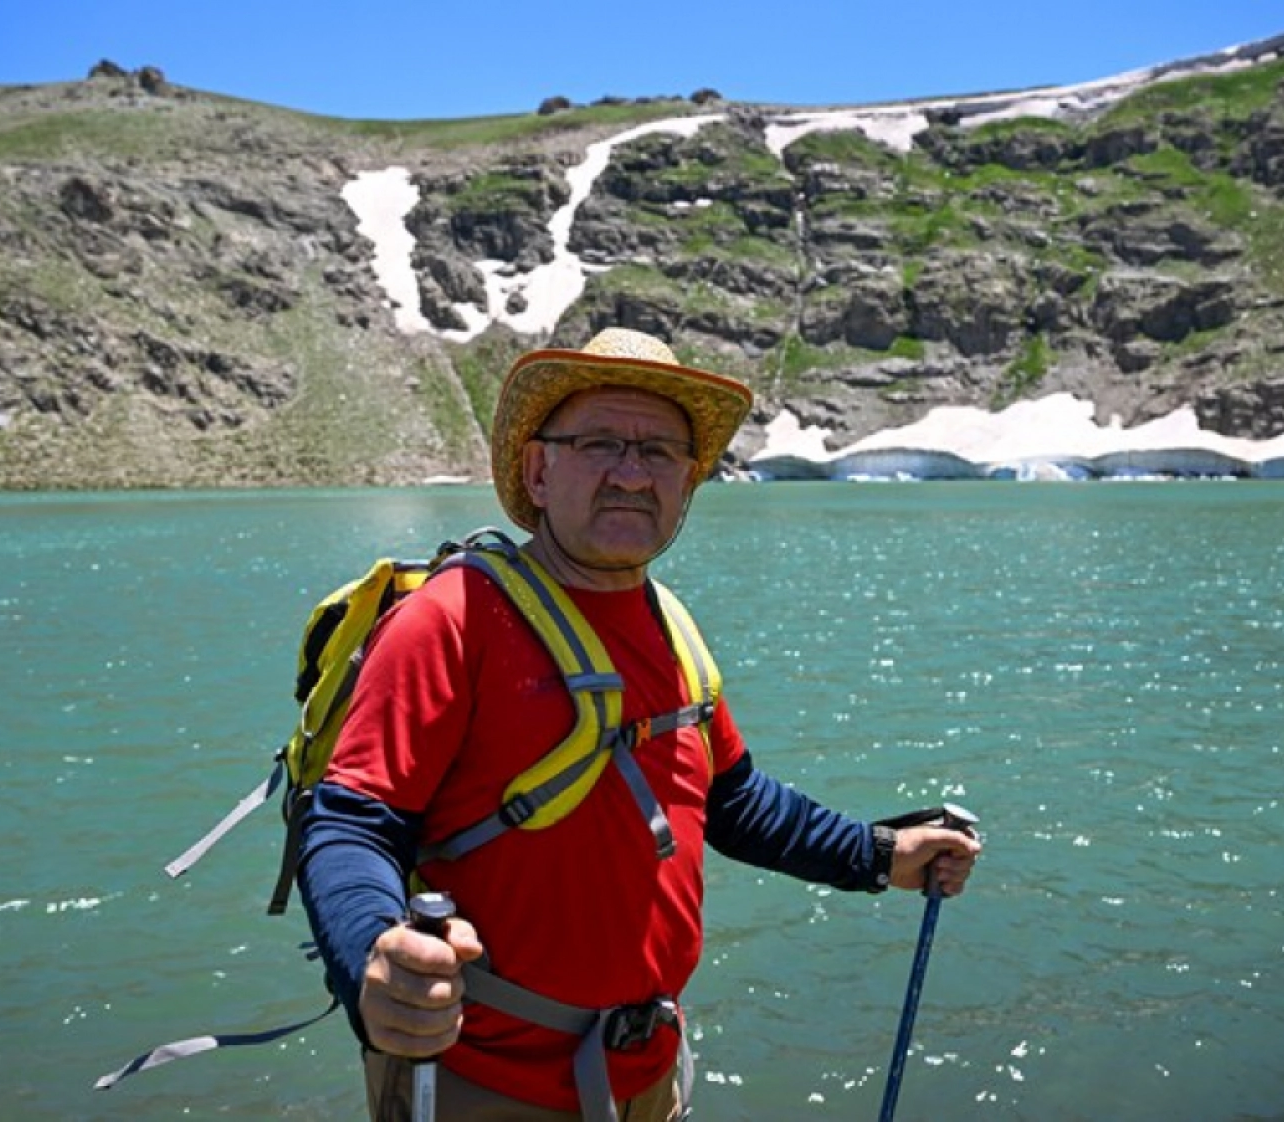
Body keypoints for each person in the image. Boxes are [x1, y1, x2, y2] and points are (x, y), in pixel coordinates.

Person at [297, 327, 982, 1122]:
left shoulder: (672, 626)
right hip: (482, 1085)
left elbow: (732, 800)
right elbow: (351, 823)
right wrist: (373, 956)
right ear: (538, 471)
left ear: (687, 482)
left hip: (647, 1075)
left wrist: (878, 854)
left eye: (658, 452)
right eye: (600, 444)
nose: (631, 473)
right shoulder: (451, 619)